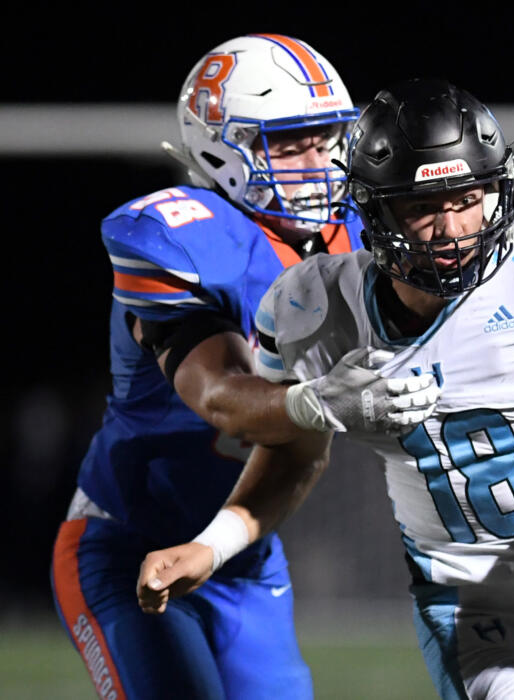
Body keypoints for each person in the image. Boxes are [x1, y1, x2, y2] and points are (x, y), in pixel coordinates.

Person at [137, 79, 514, 699]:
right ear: (374, 211)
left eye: (469, 196)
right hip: (475, 612)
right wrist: (213, 545)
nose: (452, 229)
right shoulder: (311, 309)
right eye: (422, 207)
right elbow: (291, 451)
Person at [50, 37, 439, 700]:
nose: (318, 163)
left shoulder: (362, 232)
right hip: (124, 545)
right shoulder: (181, 236)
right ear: (218, 150)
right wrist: (322, 402)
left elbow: (302, 450)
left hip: (245, 551)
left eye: (327, 139)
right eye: (289, 145)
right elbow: (223, 401)